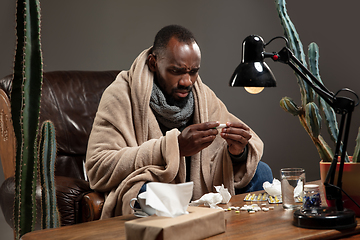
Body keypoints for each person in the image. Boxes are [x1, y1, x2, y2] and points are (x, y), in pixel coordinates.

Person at [86, 25, 273, 219]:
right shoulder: (121, 94)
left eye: (193, 72)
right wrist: (174, 147)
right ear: (153, 63)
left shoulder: (203, 95)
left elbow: (225, 156)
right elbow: (97, 168)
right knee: (151, 194)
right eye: (176, 71)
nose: (187, 81)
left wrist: (237, 153)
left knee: (262, 172)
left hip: (202, 188)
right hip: (153, 185)